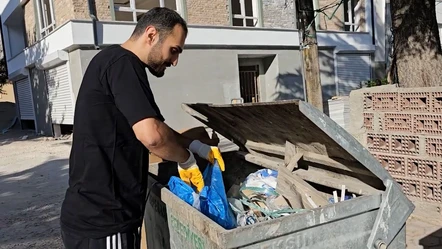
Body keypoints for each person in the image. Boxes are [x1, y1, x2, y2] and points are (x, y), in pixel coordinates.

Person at [59, 7, 225, 249]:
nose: (175, 61)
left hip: (97, 218)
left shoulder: (112, 62)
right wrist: (187, 160)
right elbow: (153, 137)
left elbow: (158, 128)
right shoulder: (124, 64)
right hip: (104, 221)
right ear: (151, 35)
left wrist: (196, 146)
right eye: (174, 50)